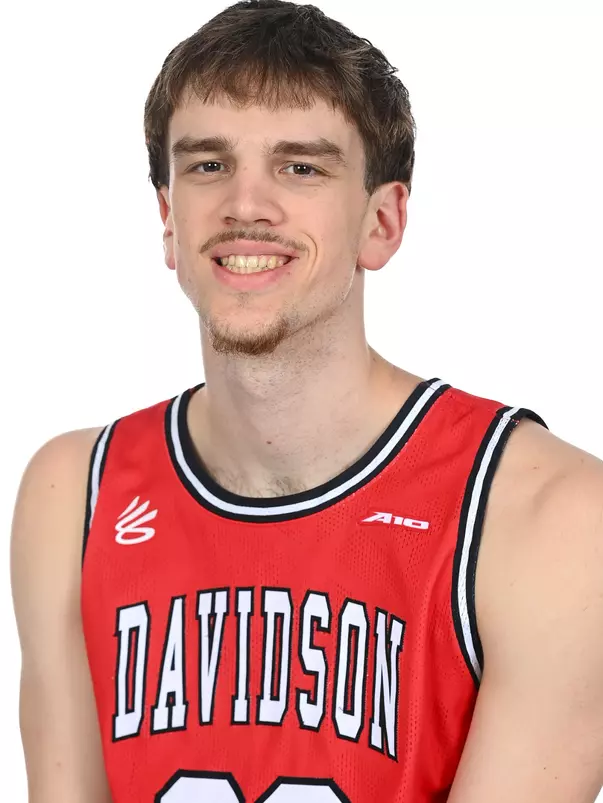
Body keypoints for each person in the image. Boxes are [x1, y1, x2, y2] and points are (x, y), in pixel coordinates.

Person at [10, 1, 603, 801]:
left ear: (381, 221)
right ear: (168, 219)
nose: (245, 205)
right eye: (208, 165)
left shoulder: (547, 514)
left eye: (301, 168)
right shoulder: (72, 494)